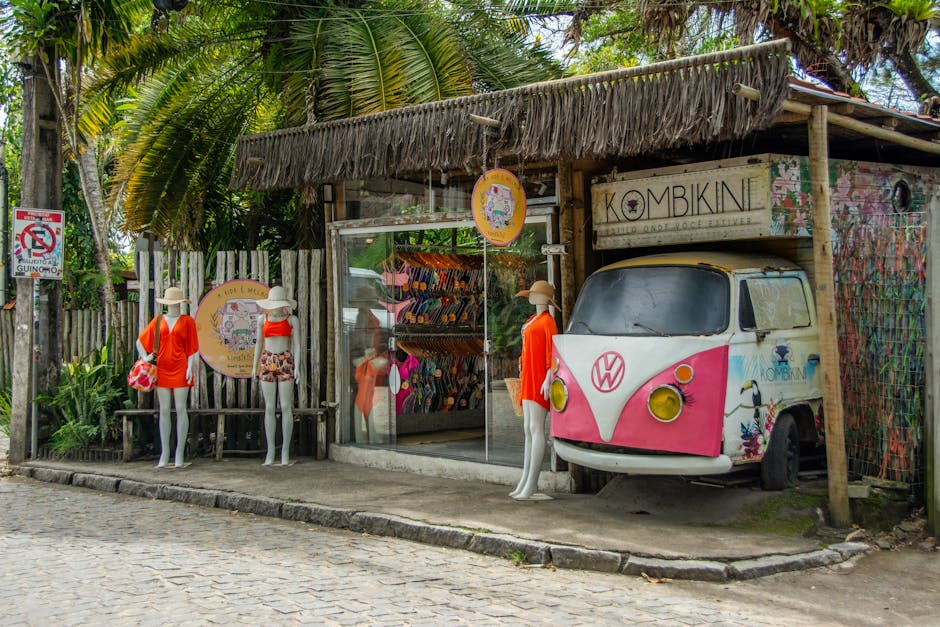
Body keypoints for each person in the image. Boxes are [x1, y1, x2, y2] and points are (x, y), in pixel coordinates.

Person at [136, 286, 200, 469]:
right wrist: (146, 358)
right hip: (162, 368)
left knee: (181, 409)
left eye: (176, 304)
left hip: (181, 368)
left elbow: (193, 348)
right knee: (164, 410)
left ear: (180, 303)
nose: (174, 307)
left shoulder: (188, 321)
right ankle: (165, 453)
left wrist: (190, 367)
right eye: (171, 303)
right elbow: (140, 342)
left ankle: (179, 452)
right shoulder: (158, 321)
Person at [510, 280, 558, 501]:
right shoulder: (533, 320)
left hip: (539, 377)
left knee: (536, 428)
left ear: (544, 299)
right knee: (527, 428)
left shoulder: (549, 322)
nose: (530, 297)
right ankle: (525, 480)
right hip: (528, 376)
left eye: (534, 294)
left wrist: (549, 378)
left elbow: (553, 353)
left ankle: (531, 483)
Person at [252, 286, 300, 466]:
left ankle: (285, 451)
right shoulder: (261, 319)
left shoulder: (292, 320)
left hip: (285, 360)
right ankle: (271, 451)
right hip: (267, 360)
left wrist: (298, 367)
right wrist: (254, 366)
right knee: (270, 406)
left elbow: (297, 344)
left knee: (286, 406)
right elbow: (259, 344)